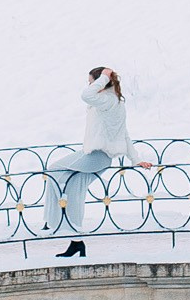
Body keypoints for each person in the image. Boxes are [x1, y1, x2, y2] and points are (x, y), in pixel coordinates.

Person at [45, 67, 130, 256]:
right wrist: (137, 159)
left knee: (53, 170)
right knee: (74, 190)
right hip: (98, 156)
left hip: (96, 156)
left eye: (91, 81)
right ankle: (76, 242)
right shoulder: (112, 102)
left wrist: (103, 78)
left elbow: (86, 95)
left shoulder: (106, 100)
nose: (90, 85)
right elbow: (124, 134)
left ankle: (51, 221)